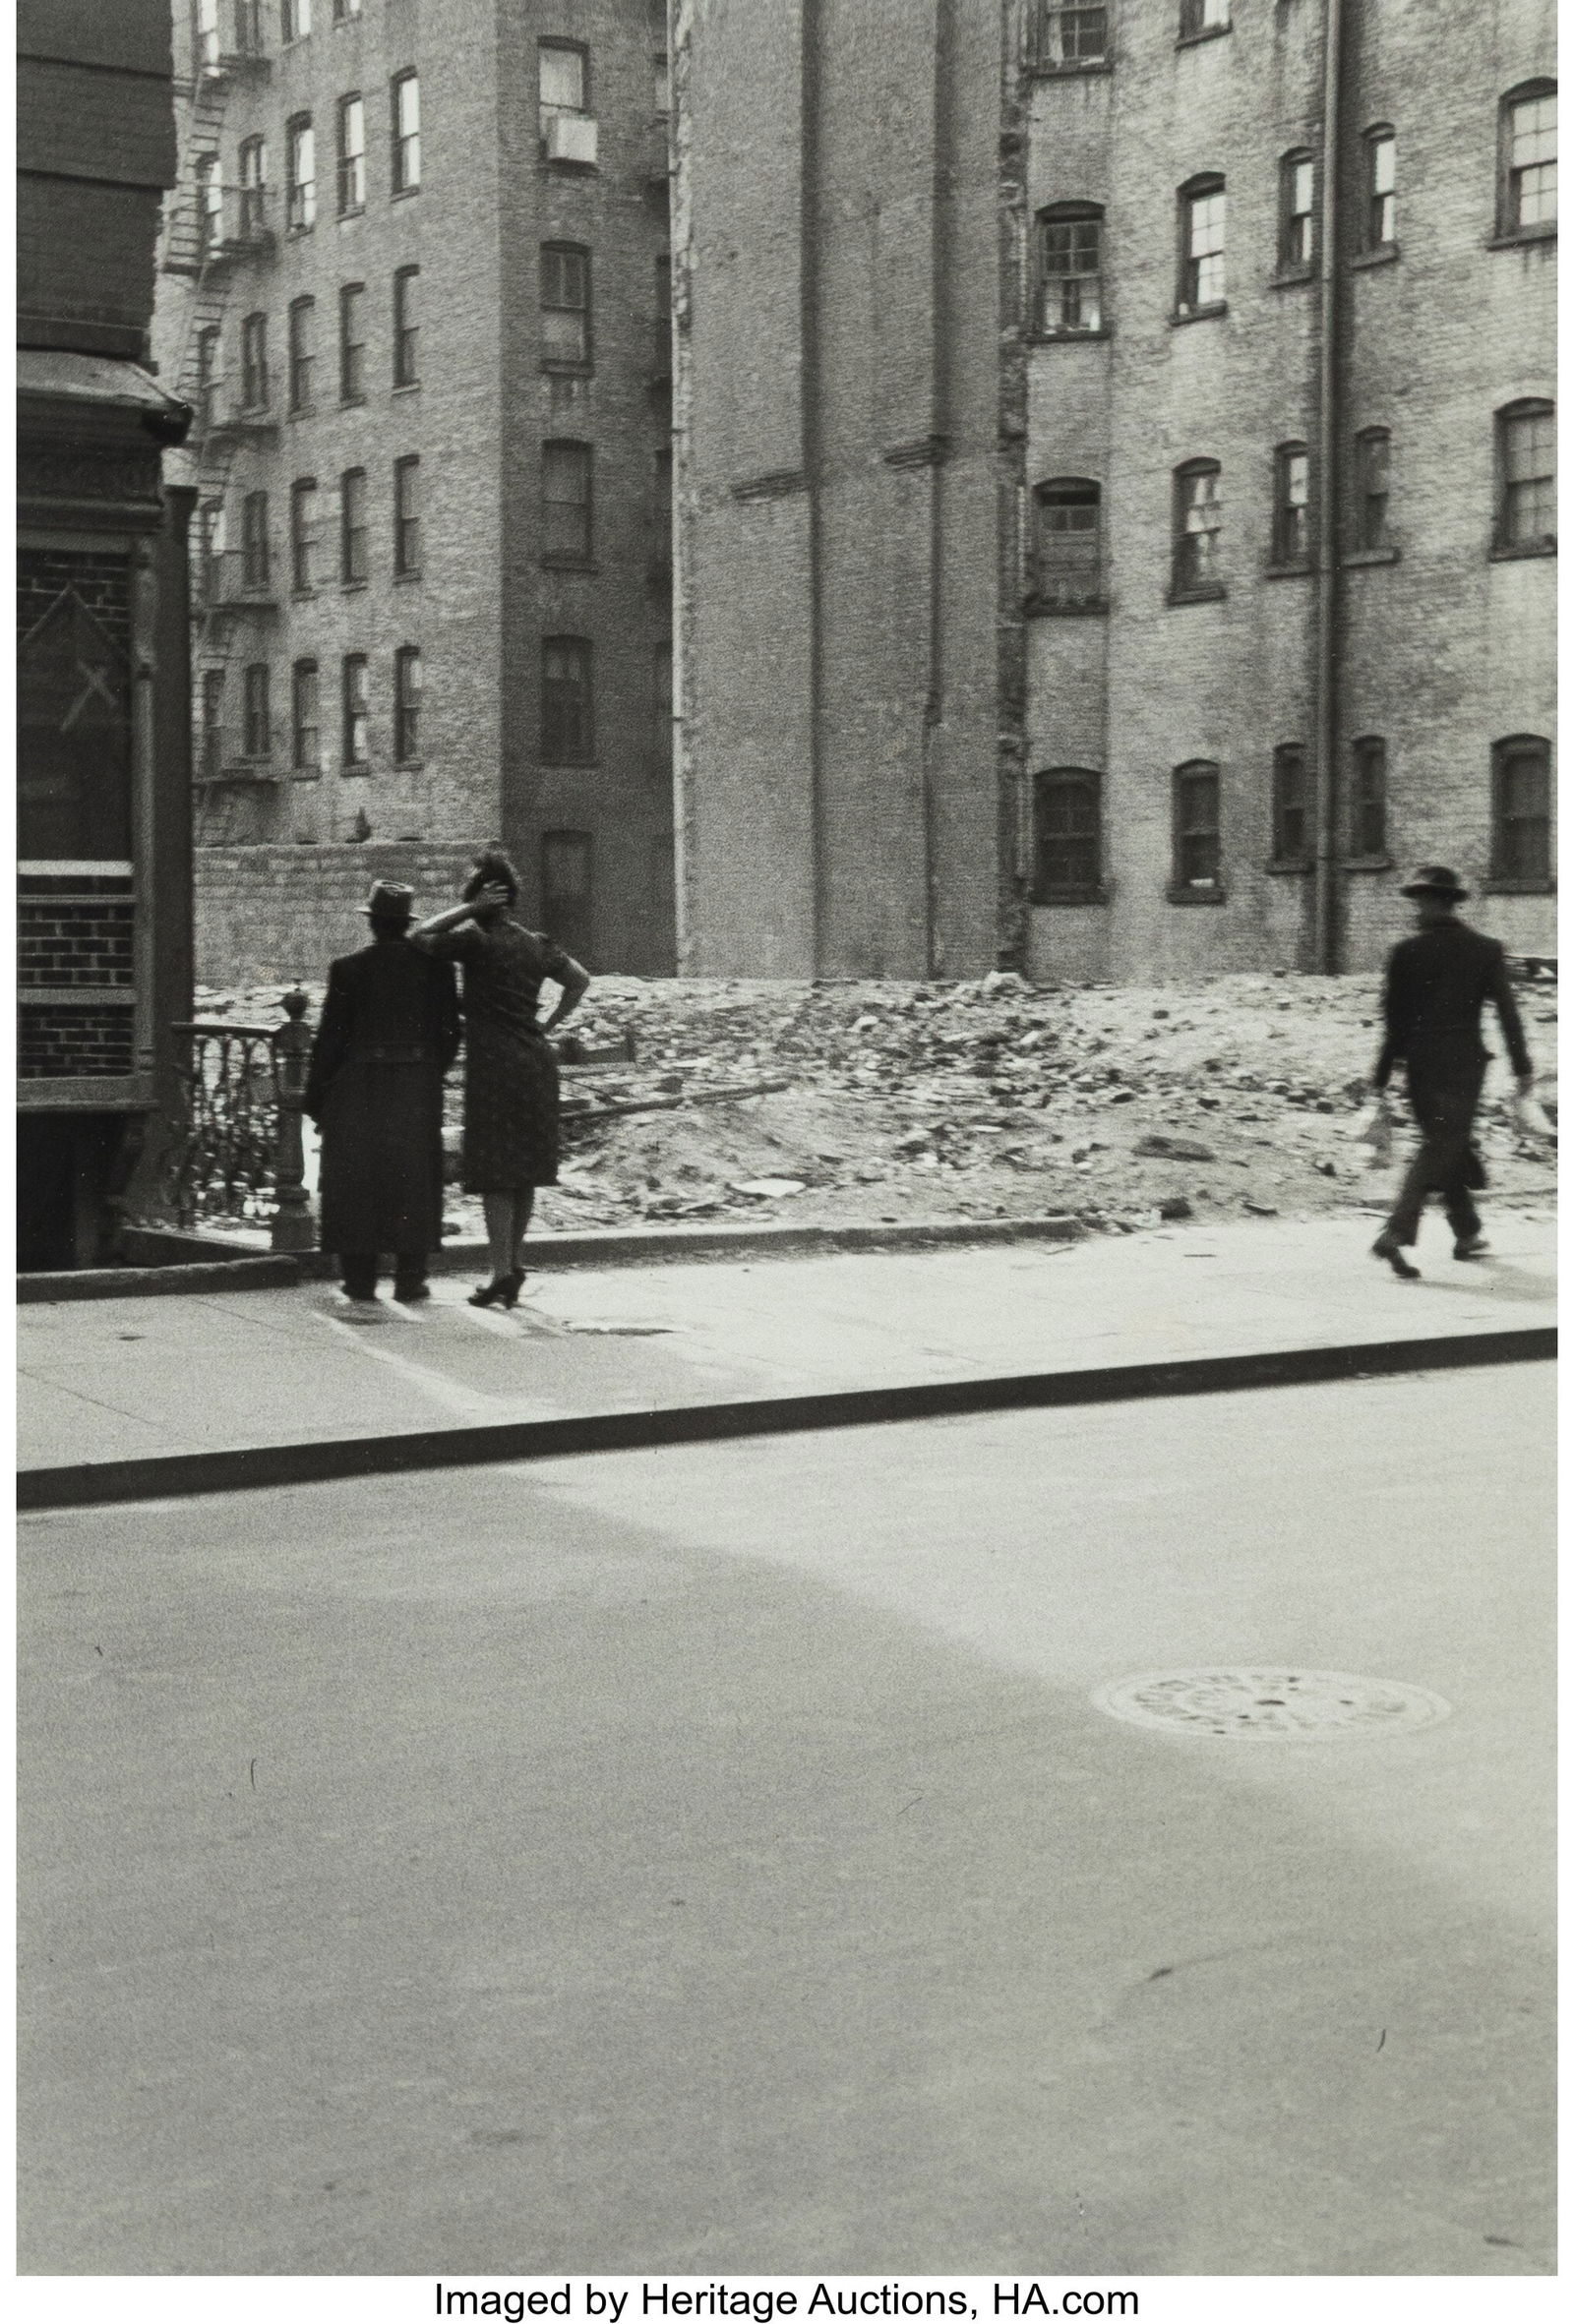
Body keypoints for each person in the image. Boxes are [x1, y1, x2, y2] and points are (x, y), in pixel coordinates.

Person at [412, 848, 590, 1308]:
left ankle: (499, 1273)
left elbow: (420, 935)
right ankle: (513, 1265)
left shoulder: (475, 941)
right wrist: (548, 1026)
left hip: (495, 1066)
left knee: (495, 1173)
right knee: (526, 1171)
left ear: (483, 897)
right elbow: (580, 980)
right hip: (536, 1061)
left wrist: (471, 910)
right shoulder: (536, 943)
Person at [1369, 864, 1534, 1280]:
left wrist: (1381, 1077)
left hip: (1421, 1066)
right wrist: (1522, 1068)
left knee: (1443, 1143)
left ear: (1436, 902)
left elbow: (1395, 1023)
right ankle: (1396, 1230)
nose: (1416, 909)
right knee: (1443, 1144)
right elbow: (1508, 1013)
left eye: (1420, 901)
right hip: (1464, 1064)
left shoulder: (1405, 953)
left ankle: (1467, 1232)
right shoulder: (1485, 949)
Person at [303, 879, 463, 1306]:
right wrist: (427, 1074)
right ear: (405, 923)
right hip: (415, 1086)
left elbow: (330, 1040)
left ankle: (360, 1280)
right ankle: (410, 1279)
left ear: (373, 923)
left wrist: (316, 1098)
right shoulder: (437, 969)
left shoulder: (348, 969)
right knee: (413, 1177)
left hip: (359, 1085)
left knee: (357, 1178)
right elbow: (450, 1034)